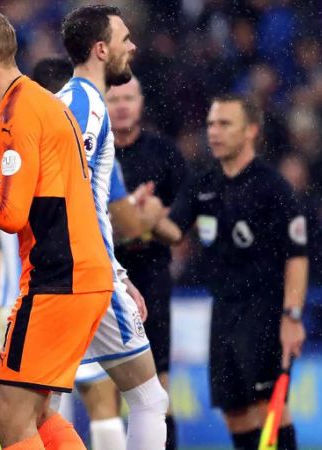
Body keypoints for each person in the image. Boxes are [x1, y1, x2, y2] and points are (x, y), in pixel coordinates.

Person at [0, 4, 114, 449]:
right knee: (36, 416)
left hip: (57, 280)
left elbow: (11, 214)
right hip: (79, 275)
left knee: (8, 418)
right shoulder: (36, 103)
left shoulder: (18, 114)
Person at [0, 57, 164, 450]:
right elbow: (124, 224)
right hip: (73, 283)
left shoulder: (0, 144)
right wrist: (149, 217)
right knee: (97, 402)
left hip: (32, 291)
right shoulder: (76, 138)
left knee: (24, 414)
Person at [153, 94, 307, 450]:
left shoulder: (273, 188)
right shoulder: (204, 185)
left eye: (224, 124)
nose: (214, 132)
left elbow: (297, 256)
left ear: (250, 130)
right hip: (222, 311)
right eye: (210, 124)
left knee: (271, 408)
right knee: (234, 412)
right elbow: (173, 230)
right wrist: (143, 215)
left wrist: (291, 316)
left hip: (264, 311)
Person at [55, 6, 169, 449]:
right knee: (147, 398)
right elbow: (70, 196)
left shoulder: (77, 102)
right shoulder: (84, 106)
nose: (132, 46)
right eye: (124, 39)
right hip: (87, 274)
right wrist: (111, 275)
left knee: (42, 402)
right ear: (101, 50)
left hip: (73, 271)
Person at [108, 76, 190, 450]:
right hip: (107, 275)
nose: (122, 105)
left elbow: (183, 222)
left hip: (152, 274)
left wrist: (155, 215)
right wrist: (133, 217)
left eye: (129, 98)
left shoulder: (165, 154)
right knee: (106, 380)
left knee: (158, 380)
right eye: (115, 98)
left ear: (141, 102)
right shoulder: (98, 152)